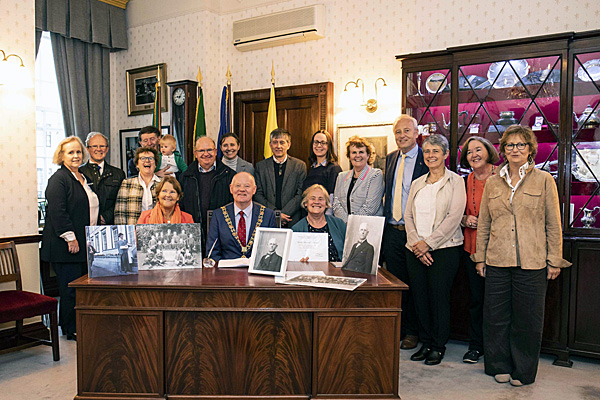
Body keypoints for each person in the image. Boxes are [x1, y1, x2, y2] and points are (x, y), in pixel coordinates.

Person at [473, 125, 571, 386]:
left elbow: (553, 223)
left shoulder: (544, 180)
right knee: (495, 318)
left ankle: (523, 371)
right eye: (510, 145)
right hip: (497, 260)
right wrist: (480, 258)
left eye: (520, 145)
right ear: (503, 150)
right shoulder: (493, 182)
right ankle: (498, 364)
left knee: (527, 321)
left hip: (533, 261)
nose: (515, 149)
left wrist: (554, 260)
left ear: (530, 149)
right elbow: (484, 223)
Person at [404, 134, 466, 366]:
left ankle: (438, 346)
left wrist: (428, 244)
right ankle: (426, 342)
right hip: (415, 250)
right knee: (420, 298)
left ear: (445, 155)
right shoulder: (417, 183)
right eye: (427, 151)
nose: (430, 155)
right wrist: (416, 245)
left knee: (438, 298)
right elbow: (408, 215)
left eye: (436, 152)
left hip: (445, 250)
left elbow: (454, 218)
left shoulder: (456, 182)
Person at [41, 136, 99, 341]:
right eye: (70, 152)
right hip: (65, 245)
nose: (76, 156)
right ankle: (70, 328)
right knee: (70, 290)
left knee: (81, 288)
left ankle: (76, 325)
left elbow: (85, 204)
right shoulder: (59, 179)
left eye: (78, 152)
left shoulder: (82, 176)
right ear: (61, 155)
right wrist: (70, 238)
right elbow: (58, 212)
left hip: (84, 243)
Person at [382, 114, 429, 350]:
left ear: (416, 133)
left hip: (416, 233)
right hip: (392, 230)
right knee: (396, 283)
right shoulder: (390, 159)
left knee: (416, 284)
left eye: (406, 131)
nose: (402, 136)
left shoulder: (426, 158)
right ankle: (398, 328)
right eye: (398, 132)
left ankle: (413, 331)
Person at [459, 137, 500, 364]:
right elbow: (456, 211)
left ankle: (496, 348)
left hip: (498, 249)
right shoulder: (465, 180)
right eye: (469, 152)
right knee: (476, 300)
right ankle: (476, 346)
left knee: (497, 302)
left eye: (478, 150)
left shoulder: (501, 176)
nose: (473, 154)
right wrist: (465, 219)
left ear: (488, 151)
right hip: (471, 248)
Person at [179, 136, 235, 252]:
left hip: (222, 235)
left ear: (215, 151)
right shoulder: (185, 177)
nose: (206, 154)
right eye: (201, 151)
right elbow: (181, 205)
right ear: (195, 153)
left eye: (209, 150)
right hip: (192, 234)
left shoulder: (229, 175)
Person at [206, 172, 276, 261]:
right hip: (226, 272)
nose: (242, 189)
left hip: (257, 272)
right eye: (238, 186)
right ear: (231, 188)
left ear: (254, 190)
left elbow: (271, 251)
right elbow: (212, 253)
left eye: (247, 186)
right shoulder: (218, 215)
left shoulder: (268, 215)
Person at [254, 128, 307, 227]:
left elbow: (300, 194)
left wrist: (284, 214)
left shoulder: (299, 166)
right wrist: (276, 214)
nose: (278, 146)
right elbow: (258, 194)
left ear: (288, 145)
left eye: (282, 142)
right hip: (268, 219)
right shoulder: (260, 166)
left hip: (292, 220)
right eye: (275, 142)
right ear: (270, 145)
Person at [332, 135, 384, 223]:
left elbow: (370, 208)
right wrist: (346, 222)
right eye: (354, 152)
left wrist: (352, 223)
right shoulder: (341, 176)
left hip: (367, 227)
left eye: (361, 152)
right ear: (349, 156)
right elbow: (336, 204)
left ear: (368, 155)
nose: (357, 155)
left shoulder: (375, 175)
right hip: (345, 227)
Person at [79, 132, 125, 225]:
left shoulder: (118, 174)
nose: (99, 149)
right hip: (85, 224)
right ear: (87, 149)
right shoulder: (79, 172)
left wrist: (106, 216)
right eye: (94, 146)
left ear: (107, 149)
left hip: (110, 224)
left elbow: (122, 201)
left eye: (102, 146)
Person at [292, 184, 346, 262]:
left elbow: (348, 253)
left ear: (326, 204)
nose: (317, 202)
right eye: (313, 198)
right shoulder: (296, 229)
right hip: (309, 272)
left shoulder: (339, 224)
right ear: (306, 203)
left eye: (321, 199)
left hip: (337, 272)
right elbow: (294, 259)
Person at [114, 147, 161, 225]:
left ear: (155, 164)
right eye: (143, 158)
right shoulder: (127, 183)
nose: (147, 161)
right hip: (134, 231)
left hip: (157, 231)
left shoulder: (163, 183)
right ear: (137, 164)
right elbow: (120, 213)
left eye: (151, 158)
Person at [302, 130, 342, 199]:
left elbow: (334, 198)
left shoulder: (334, 168)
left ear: (329, 146)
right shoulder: (311, 168)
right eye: (316, 142)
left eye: (323, 143)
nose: (319, 145)